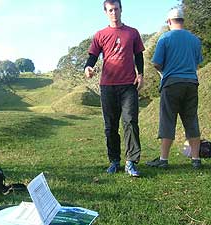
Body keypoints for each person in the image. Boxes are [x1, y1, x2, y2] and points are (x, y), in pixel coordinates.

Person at [84, 0, 145, 177]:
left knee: (130, 122)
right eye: (110, 10)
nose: (114, 13)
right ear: (105, 12)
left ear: (121, 10)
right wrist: (88, 67)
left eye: (116, 9)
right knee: (110, 126)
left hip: (128, 86)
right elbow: (92, 56)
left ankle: (131, 162)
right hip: (107, 86)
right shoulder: (100, 34)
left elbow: (138, 55)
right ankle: (114, 161)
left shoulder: (132, 33)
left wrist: (140, 74)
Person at [146, 8, 203, 169]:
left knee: (168, 120)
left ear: (169, 22)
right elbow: (197, 61)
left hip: (171, 84)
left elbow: (156, 62)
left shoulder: (165, 38)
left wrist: (163, 73)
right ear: (183, 21)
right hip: (191, 83)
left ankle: (163, 160)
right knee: (191, 120)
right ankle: (196, 159)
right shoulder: (195, 40)